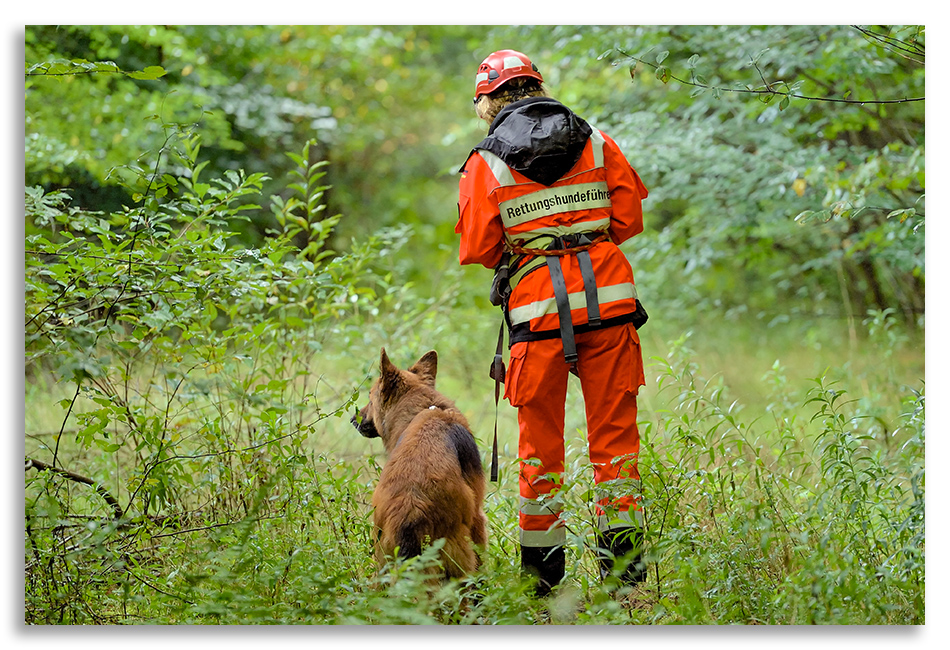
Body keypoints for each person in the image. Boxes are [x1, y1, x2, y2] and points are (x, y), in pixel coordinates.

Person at [455, 49, 651, 597]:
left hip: (538, 313)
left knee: (539, 449)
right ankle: (626, 581)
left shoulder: (485, 160)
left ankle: (542, 587)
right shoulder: (596, 140)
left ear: (490, 99)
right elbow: (628, 219)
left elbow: (478, 247)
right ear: (536, 85)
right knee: (616, 444)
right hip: (610, 306)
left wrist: (533, 244)